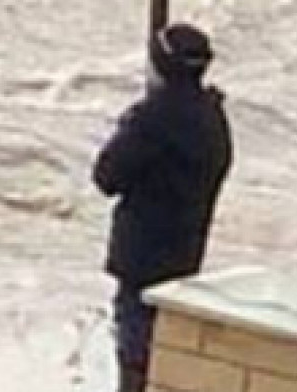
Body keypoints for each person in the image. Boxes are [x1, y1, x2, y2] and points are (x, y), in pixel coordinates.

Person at [93, 24, 233, 392]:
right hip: (187, 251)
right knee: (168, 348)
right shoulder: (213, 116)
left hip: (142, 255)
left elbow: (106, 175)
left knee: (136, 350)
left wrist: (132, 124)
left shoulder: (153, 118)